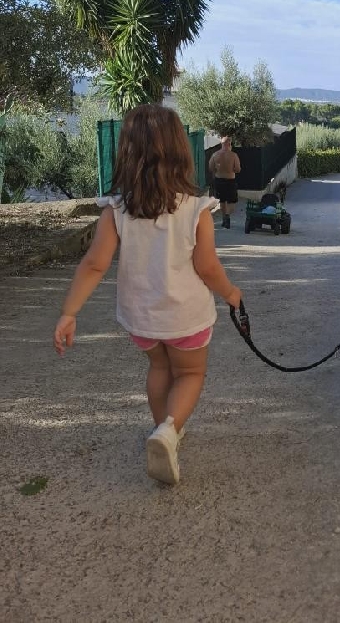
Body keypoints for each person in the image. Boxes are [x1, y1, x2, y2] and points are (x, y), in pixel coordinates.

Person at [53, 104, 242, 486]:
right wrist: (231, 293)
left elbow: (94, 264)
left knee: (159, 369)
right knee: (189, 372)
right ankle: (169, 432)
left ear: (128, 153)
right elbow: (207, 267)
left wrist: (69, 312)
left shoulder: (117, 210)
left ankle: (162, 429)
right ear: (179, 152)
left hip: (142, 319)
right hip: (186, 317)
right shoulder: (197, 209)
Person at [209, 136, 241, 228]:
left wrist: (218, 170)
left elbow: (211, 168)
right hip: (231, 180)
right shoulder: (233, 155)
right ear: (230, 144)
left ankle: (224, 217)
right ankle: (227, 215)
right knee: (232, 201)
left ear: (221, 144)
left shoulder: (215, 155)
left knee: (222, 200)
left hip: (219, 180)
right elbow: (238, 169)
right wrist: (231, 169)